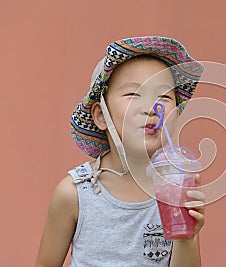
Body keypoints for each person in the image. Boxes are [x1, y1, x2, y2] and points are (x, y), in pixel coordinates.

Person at [36, 36, 205, 267]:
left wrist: (188, 238)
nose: (151, 108)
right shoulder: (74, 194)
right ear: (101, 116)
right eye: (134, 95)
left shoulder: (174, 186)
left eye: (164, 97)